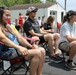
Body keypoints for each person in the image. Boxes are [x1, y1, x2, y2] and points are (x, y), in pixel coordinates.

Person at [0, 6, 45, 75]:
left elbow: (20, 38)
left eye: (10, 15)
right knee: (37, 53)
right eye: (7, 15)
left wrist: (31, 46)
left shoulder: (8, 26)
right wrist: (19, 47)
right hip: (7, 52)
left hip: (16, 50)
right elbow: (4, 39)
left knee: (42, 50)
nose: (9, 17)